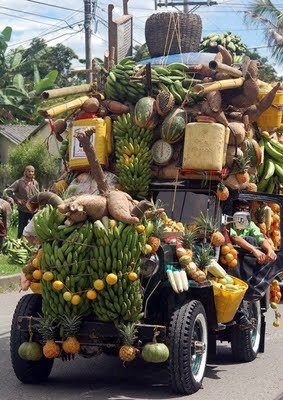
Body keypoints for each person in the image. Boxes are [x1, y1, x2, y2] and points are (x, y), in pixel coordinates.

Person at [230, 200, 277, 265]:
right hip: (233, 257)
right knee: (249, 239)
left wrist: (270, 250)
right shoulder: (230, 222)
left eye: (245, 210)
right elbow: (235, 238)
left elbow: (260, 238)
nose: (242, 212)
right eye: (240, 209)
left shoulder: (250, 224)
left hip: (247, 260)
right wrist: (254, 250)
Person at [4, 165, 39, 238]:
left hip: (34, 209)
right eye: (29, 171)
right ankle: (19, 242)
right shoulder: (19, 182)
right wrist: (17, 199)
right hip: (23, 209)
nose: (30, 173)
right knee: (21, 227)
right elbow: (9, 191)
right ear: (25, 172)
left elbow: (38, 194)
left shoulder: (35, 183)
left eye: (32, 171)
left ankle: (32, 243)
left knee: (35, 227)